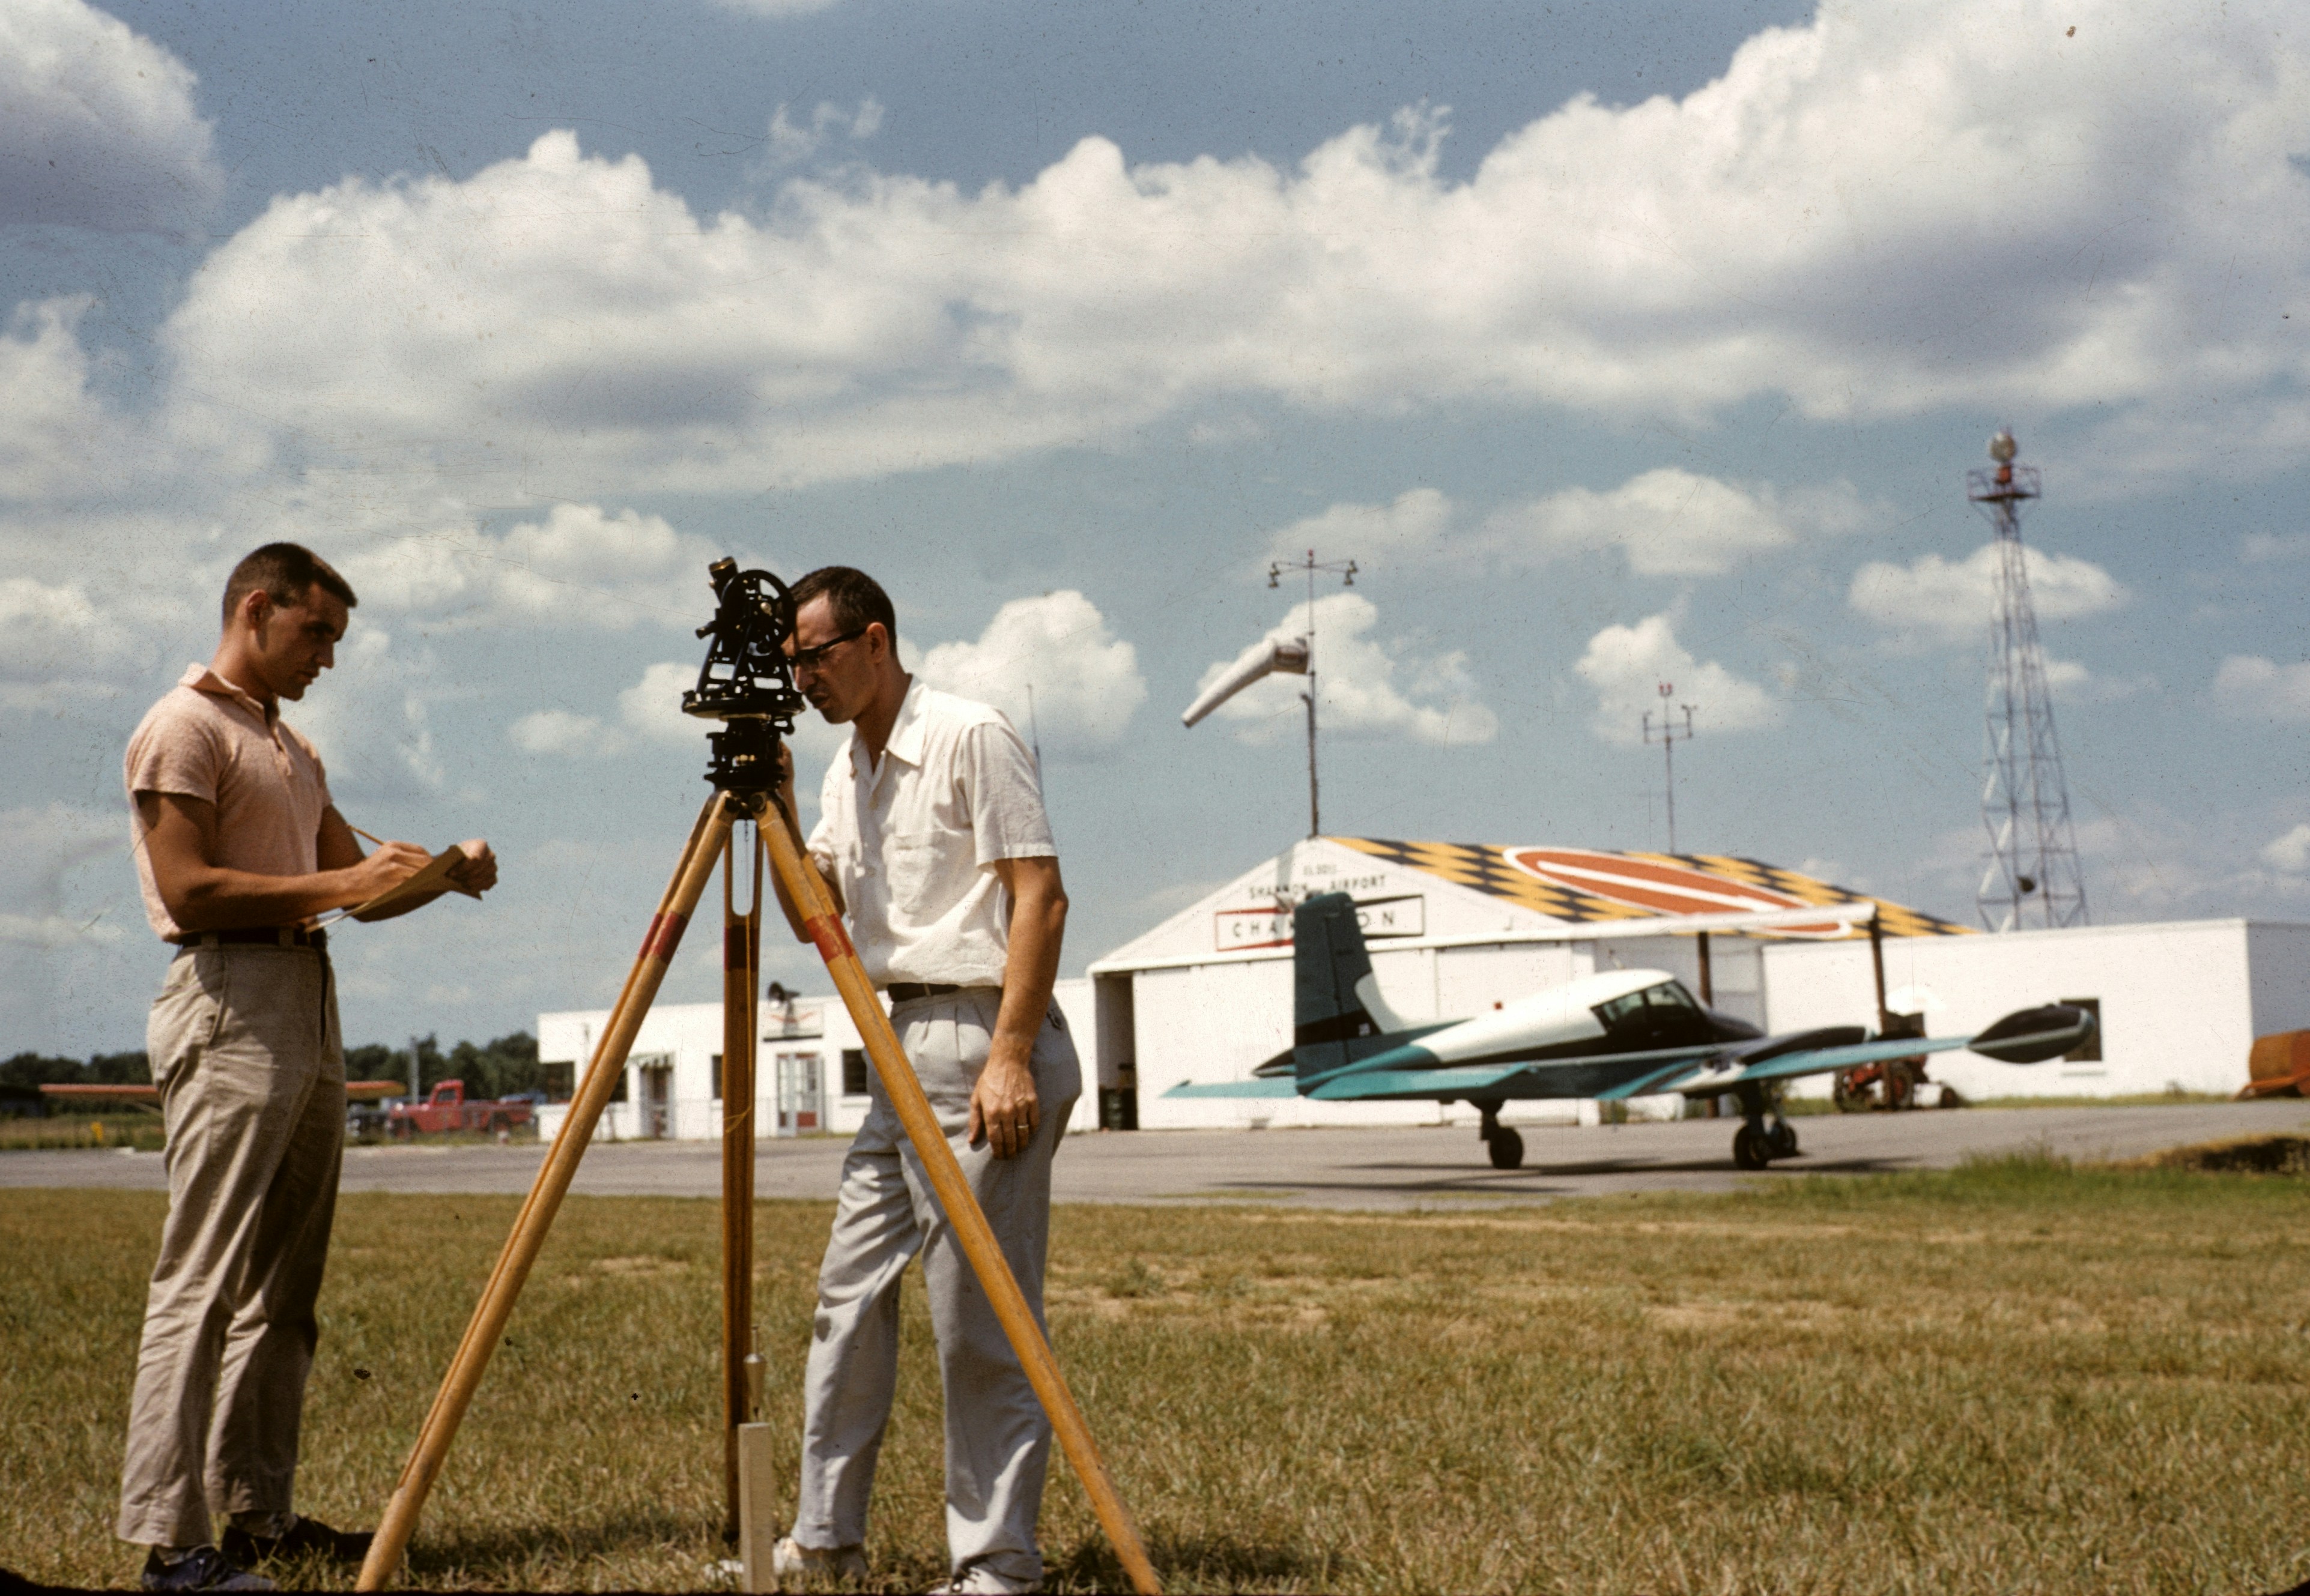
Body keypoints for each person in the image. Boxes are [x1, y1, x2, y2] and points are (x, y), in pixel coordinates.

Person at [116, 543, 498, 1593]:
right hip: (230, 996)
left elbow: (357, 895)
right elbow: (189, 890)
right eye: (314, 631)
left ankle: (257, 1514)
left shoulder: (290, 745)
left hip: (307, 994)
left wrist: (444, 875)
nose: (327, 655)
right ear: (255, 607)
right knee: (200, 1279)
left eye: (336, 637)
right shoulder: (183, 726)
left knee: (287, 1287)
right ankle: (171, 1543)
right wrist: (344, 876)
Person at [766, 566, 1078, 1596]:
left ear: (874, 639)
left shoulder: (967, 733)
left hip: (984, 1029)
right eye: (790, 662)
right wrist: (768, 805)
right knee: (846, 1294)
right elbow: (817, 905)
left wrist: (1008, 1056)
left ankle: (996, 1566)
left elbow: (1041, 893)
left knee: (975, 1316)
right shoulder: (841, 767)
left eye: (814, 655)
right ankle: (824, 1535)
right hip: (899, 1033)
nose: (801, 676)